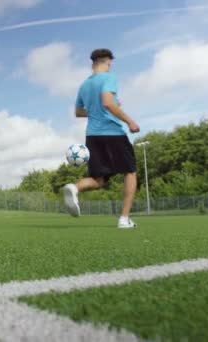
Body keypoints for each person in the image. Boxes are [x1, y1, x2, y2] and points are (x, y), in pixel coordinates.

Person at [64, 48, 140, 229]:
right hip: (112, 133)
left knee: (98, 180)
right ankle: (124, 219)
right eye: (110, 64)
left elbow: (78, 112)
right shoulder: (108, 78)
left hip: (92, 136)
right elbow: (107, 102)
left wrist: (96, 108)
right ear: (108, 62)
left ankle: (74, 188)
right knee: (130, 172)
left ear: (92, 63)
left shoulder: (84, 85)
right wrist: (130, 122)